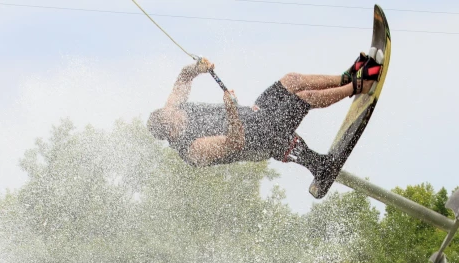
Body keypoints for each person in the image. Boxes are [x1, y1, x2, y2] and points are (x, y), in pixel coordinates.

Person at [147, 54, 381, 175]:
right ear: (172, 131)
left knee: (292, 80)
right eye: (176, 117)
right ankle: (358, 87)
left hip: (258, 114)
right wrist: (230, 110)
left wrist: (197, 68)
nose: (180, 111)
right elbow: (235, 143)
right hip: (263, 139)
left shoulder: (171, 110)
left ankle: (348, 76)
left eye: (175, 109)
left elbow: (183, 77)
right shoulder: (192, 149)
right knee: (305, 97)